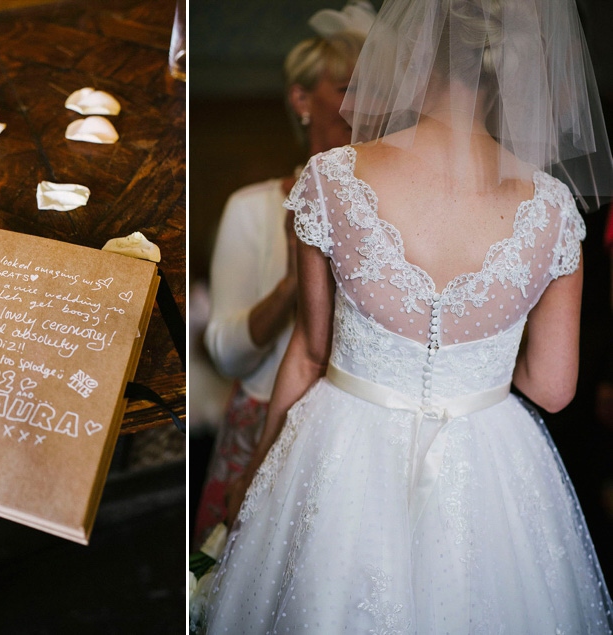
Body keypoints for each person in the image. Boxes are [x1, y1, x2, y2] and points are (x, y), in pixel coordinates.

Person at [202, 0, 613, 632]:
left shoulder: (333, 179)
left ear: (411, 53)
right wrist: (477, 366)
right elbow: (553, 390)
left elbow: (310, 353)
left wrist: (255, 476)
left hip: (339, 454)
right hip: (489, 467)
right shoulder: (553, 210)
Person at [195, 4, 374, 546]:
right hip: (264, 427)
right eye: (347, 87)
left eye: (376, 90)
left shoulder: (396, 214)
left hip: (362, 437)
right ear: (301, 99)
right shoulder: (251, 209)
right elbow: (227, 354)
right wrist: (299, 276)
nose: (364, 105)